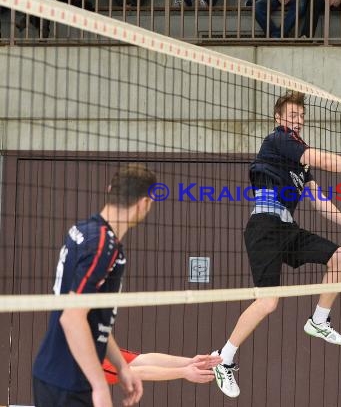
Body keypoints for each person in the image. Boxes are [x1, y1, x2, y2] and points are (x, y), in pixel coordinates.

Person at [211, 90, 341, 398]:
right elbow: (324, 159)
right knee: (268, 302)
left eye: (301, 116)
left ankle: (319, 321)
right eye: (292, 115)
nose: (298, 120)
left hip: (287, 228)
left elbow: (319, 200)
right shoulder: (278, 139)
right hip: (264, 227)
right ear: (279, 118)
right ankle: (223, 358)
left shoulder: (300, 165)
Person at [32, 163, 156, 407]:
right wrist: (99, 386)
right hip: (69, 382)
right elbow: (72, 318)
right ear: (144, 203)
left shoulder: (84, 231)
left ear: (110, 189)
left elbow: (92, 320)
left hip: (55, 374)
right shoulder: (103, 246)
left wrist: (121, 366)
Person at [103, 349, 221, 384]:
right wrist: (184, 372)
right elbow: (138, 373)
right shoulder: (90, 368)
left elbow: (143, 360)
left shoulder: (98, 347)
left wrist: (189, 362)